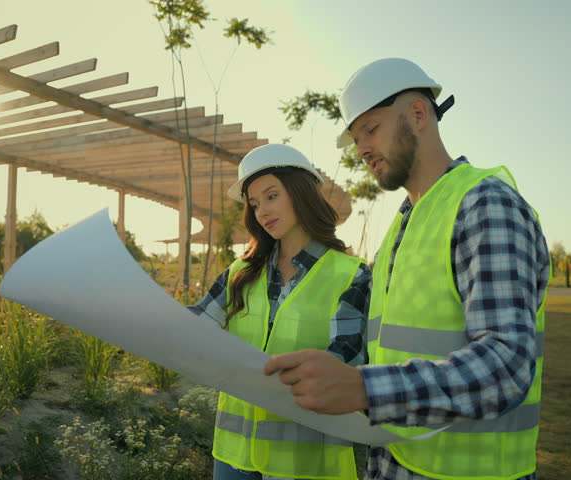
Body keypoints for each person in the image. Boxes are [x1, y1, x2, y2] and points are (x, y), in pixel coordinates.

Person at [264, 58, 550, 480]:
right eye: (356, 136)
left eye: (371, 129)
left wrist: (364, 388)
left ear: (418, 114)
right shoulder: (402, 224)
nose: (361, 148)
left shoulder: (485, 204)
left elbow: (507, 365)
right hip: (395, 462)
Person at [188, 143, 371, 480]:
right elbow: (192, 333)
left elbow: (346, 364)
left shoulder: (351, 275)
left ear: (301, 193)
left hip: (307, 464)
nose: (262, 211)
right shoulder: (240, 274)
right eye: (255, 203)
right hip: (234, 459)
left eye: (272, 196)